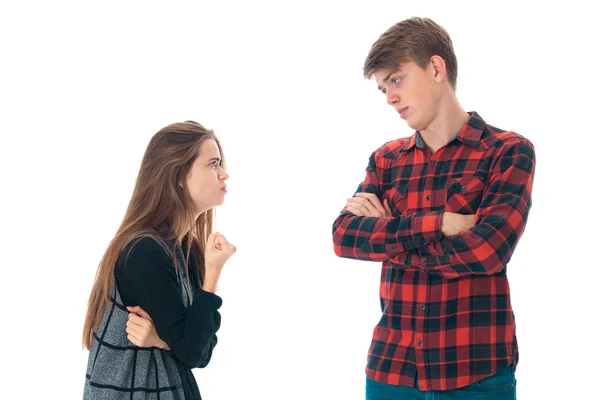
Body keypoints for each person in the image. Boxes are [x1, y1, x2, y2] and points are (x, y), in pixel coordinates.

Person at [332, 17, 535, 399]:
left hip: (477, 375)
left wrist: (393, 236)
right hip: (392, 373)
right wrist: (439, 223)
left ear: (436, 68)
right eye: (382, 88)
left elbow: (486, 252)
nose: (389, 97)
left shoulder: (508, 151)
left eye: (396, 79)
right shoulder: (386, 160)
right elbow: (343, 237)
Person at [82, 120, 236, 399]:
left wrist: (162, 340)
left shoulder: (184, 248)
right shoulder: (144, 252)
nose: (224, 175)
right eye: (213, 164)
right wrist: (213, 271)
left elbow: (201, 351)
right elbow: (191, 349)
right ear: (178, 176)